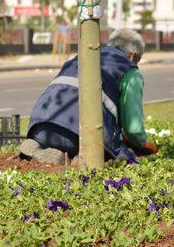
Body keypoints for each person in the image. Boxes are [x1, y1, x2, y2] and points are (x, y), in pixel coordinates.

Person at [20, 28, 158, 165]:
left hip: (40, 128)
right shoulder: (129, 70)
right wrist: (140, 143)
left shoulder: (81, 56)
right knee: (125, 157)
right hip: (78, 136)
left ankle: (41, 150)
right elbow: (133, 129)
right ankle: (79, 158)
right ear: (133, 56)